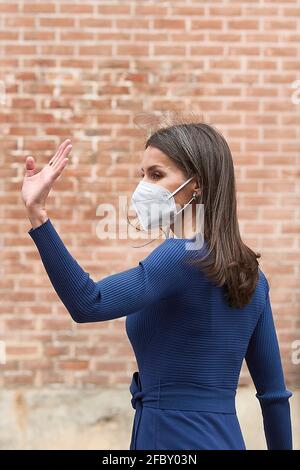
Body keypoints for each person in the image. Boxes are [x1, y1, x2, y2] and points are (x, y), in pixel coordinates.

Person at [21, 123, 293, 450]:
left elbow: (88, 303)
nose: (142, 186)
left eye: (156, 175)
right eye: (142, 174)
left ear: (198, 185)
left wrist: (38, 215)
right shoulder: (252, 275)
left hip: (169, 439)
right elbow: (274, 395)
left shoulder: (178, 256)